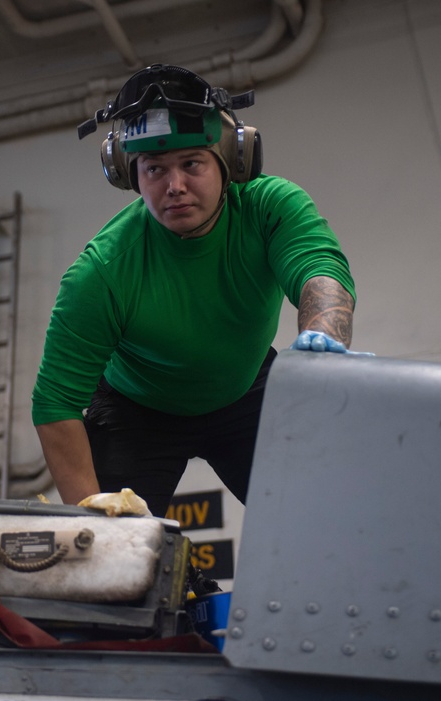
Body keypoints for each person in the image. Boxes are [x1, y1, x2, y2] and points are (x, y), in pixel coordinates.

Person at [31, 64, 359, 516]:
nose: (175, 186)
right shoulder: (101, 272)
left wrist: (325, 343)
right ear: (129, 175)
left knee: (320, 519)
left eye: (191, 163)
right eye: (154, 169)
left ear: (232, 160)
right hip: (137, 412)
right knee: (114, 565)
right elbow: (55, 404)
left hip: (246, 389)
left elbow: (319, 270)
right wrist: (96, 532)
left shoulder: (270, 207)